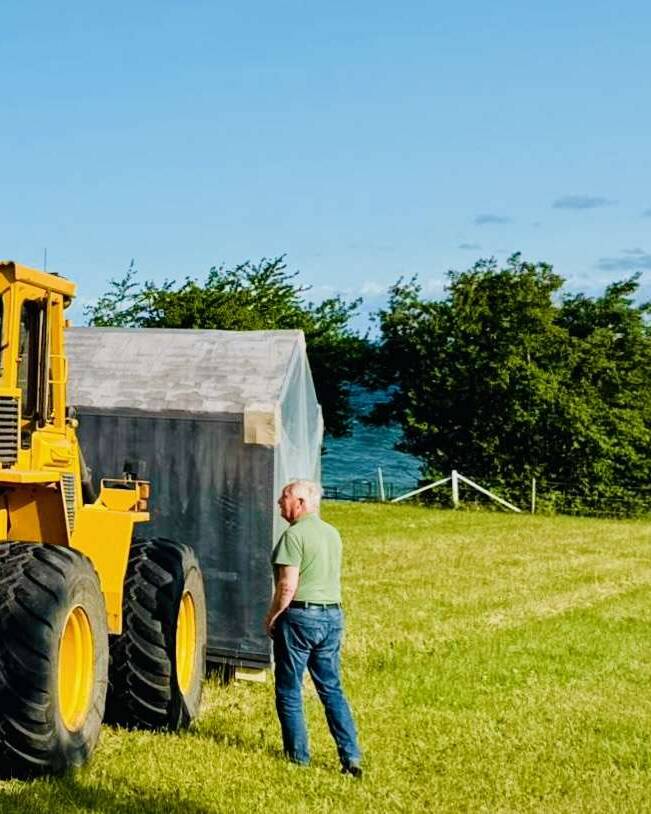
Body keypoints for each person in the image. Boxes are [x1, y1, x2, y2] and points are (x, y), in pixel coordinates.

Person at [265, 479, 362, 777]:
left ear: (301, 503)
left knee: (289, 689)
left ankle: (298, 758)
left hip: (300, 617)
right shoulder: (332, 534)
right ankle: (351, 756)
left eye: (285, 497)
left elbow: (287, 586)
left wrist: (271, 617)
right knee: (331, 688)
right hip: (332, 616)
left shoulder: (293, 537)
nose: (280, 502)